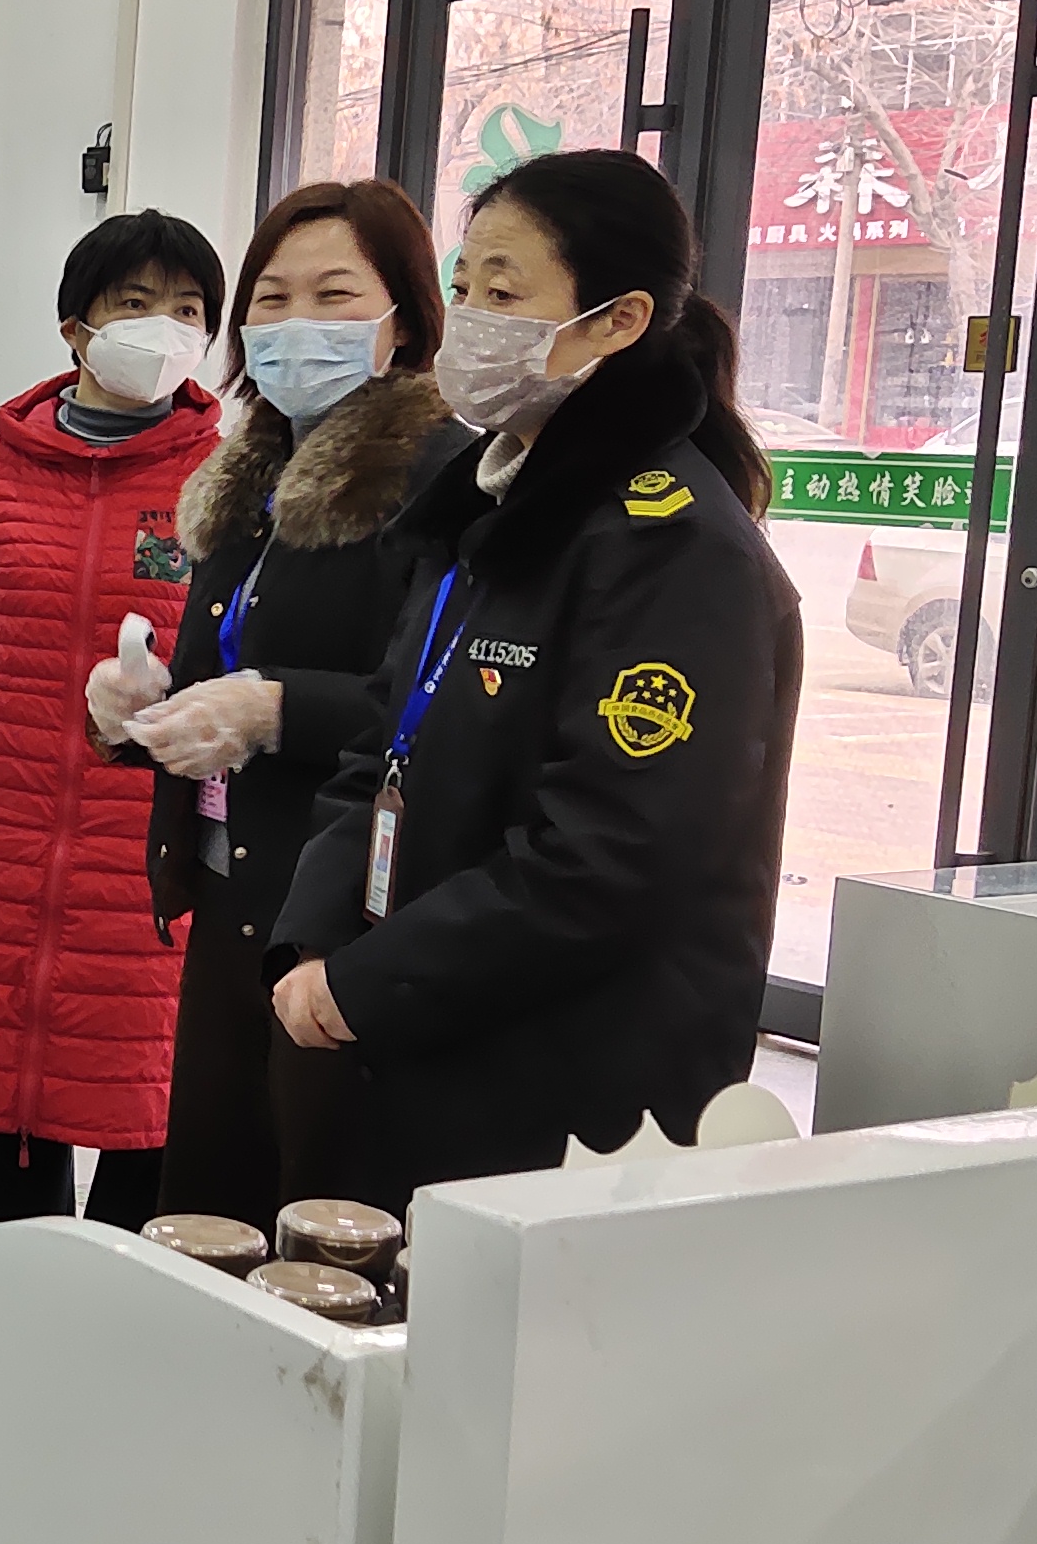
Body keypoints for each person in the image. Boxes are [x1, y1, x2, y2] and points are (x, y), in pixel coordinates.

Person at [272, 148, 801, 1204]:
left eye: (505, 294)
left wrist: (373, 979)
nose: (469, 320)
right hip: (423, 1038)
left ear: (617, 322)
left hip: (568, 1092)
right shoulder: (492, 506)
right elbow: (384, 742)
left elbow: (610, 856)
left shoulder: (671, 549)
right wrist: (314, 941)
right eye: (464, 287)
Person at [97, 179, 469, 1224]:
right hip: (227, 886)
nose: (297, 323)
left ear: (403, 322)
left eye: (334, 295)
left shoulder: (439, 479)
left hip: (339, 905)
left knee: (316, 1207)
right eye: (271, 299)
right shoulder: (250, 476)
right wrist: (142, 709)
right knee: (211, 1196)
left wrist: (274, 710)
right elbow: (220, 672)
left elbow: (433, 711)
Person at [0, 212, 228, 1232]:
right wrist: (16, 754)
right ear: (76, 327)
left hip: (152, 847)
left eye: (188, 310)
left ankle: (124, 1311)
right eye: (136, 303)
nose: (164, 327)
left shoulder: (226, 479)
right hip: (0, 828)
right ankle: (11, 1300)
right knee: (9, 1112)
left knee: (143, 1101)